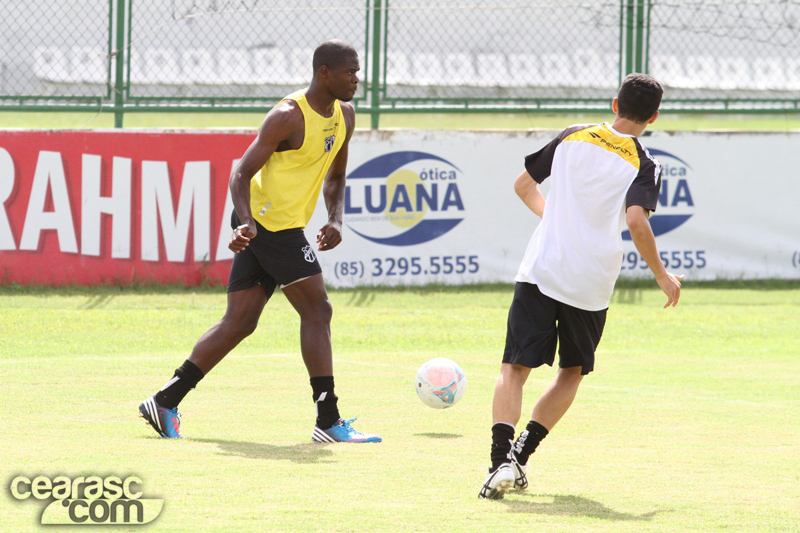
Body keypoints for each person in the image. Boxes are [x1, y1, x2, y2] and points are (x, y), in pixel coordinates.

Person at [139, 39, 381, 444]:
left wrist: (335, 218)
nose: (357, 79)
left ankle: (165, 399)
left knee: (240, 322)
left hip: (282, 224)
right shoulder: (287, 116)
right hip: (268, 225)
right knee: (318, 309)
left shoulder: (346, 116)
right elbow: (240, 173)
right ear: (324, 72)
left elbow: (336, 175)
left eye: (357, 71)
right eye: (349, 72)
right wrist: (247, 223)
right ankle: (328, 419)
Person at [479, 73, 683, 499]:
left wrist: (556, 222)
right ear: (654, 116)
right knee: (571, 371)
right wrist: (662, 275)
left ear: (614, 104)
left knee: (514, 368)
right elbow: (635, 220)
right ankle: (520, 456)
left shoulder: (574, 135)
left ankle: (499, 461)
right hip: (590, 280)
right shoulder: (645, 162)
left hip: (541, 268)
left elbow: (523, 185)